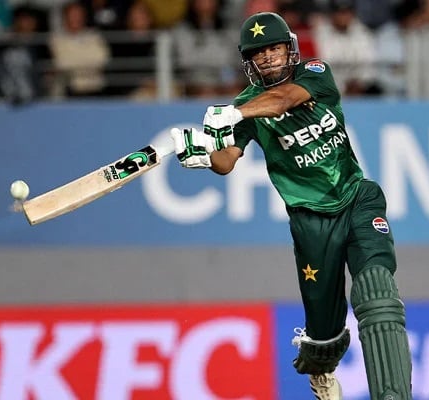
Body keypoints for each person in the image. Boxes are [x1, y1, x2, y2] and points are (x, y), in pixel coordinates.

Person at [170, 12, 413, 400]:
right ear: (249, 62)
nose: (267, 57)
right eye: (257, 53)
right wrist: (203, 152)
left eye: (273, 47)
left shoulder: (315, 73)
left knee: (378, 293)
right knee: (324, 332)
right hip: (310, 222)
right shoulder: (245, 104)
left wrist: (234, 113)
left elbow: (284, 99)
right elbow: (228, 161)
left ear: (289, 48)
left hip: (357, 199)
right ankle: (319, 368)